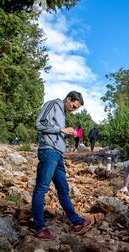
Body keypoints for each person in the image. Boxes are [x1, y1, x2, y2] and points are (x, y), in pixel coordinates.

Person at [32, 91, 93, 240]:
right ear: (68, 99)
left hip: (57, 155)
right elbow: (39, 124)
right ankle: (39, 228)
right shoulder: (53, 104)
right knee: (41, 188)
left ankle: (77, 223)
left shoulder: (63, 113)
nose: (74, 109)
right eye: (73, 105)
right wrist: (61, 129)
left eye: (76, 108)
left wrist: (66, 133)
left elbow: (54, 131)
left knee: (63, 190)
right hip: (48, 152)